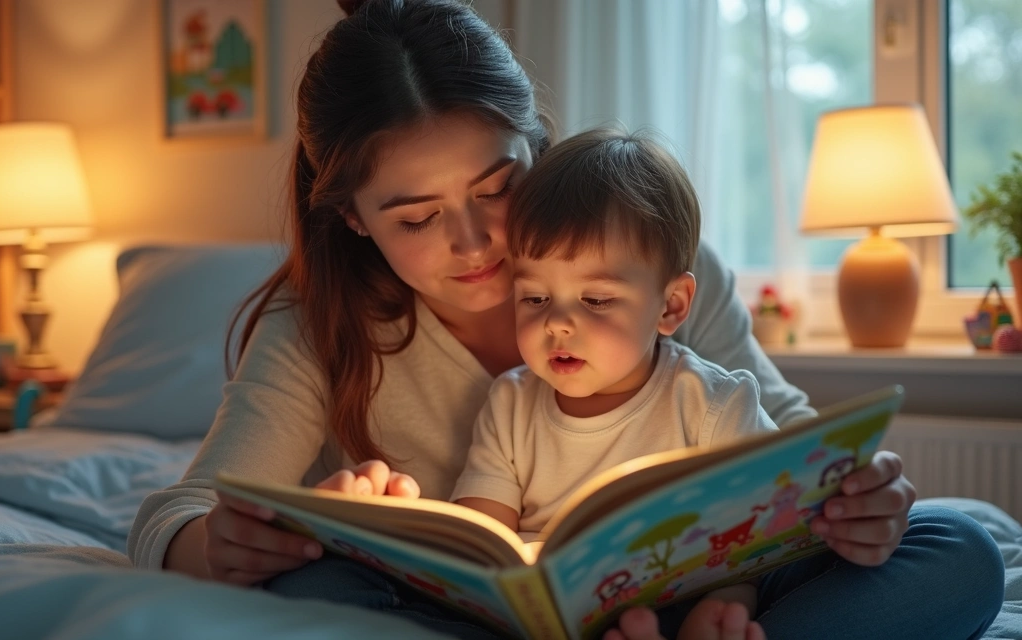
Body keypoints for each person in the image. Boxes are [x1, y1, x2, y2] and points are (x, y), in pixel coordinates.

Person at [128, 1, 1004, 638]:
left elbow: (796, 446)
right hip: (495, 613)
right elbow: (178, 512)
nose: (475, 244)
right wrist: (229, 544)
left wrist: (861, 500)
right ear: (354, 217)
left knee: (956, 548)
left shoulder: (657, 268)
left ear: (535, 148)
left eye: (495, 188)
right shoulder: (318, 324)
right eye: (417, 216)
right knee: (313, 595)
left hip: (706, 590)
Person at [448, 128, 770, 640]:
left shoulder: (714, 404)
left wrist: (728, 600)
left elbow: (769, 524)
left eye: (595, 300)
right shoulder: (510, 403)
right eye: (533, 298)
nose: (557, 324)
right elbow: (483, 541)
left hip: (676, 602)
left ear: (670, 307)